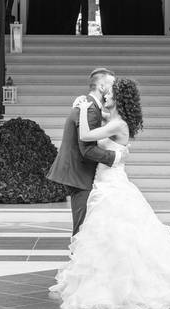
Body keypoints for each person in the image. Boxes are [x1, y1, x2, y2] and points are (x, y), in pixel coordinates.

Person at [50, 77, 170, 309]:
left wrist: (84, 107)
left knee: (116, 235)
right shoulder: (116, 120)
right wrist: (88, 105)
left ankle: (122, 287)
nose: (105, 95)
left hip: (112, 184)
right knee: (108, 237)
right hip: (106, 181)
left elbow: (87, 135)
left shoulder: (118, 125)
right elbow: (103, 118)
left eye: (108, 93)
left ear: (117, 98)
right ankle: (108, 282)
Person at [46, 67, 119, 236]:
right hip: (79, 174)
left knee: (88, 224)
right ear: (101, 86)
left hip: (81, 172)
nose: (115, 88)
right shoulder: (90, 108)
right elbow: (87, 150)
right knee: (82, 226)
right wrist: (115, 157)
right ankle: (77, 261)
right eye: (112, 84)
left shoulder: (92, 106)